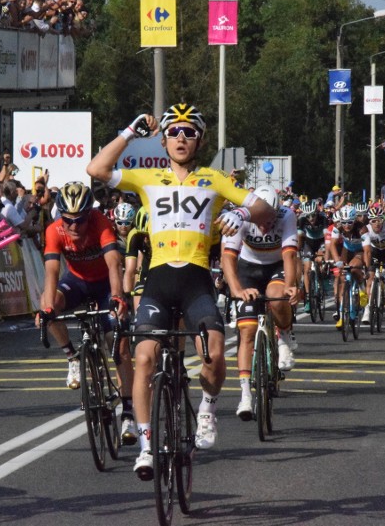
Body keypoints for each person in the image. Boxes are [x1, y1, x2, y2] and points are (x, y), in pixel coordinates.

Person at [86, 103, 275, 479]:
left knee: (215, 351)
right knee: (143, 359)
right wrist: (129, 130)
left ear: (200, 140)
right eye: (174, 131)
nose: (181, 138)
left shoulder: (214, 178)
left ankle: (207, 409)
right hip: (159, 280)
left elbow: (266, 208)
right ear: (162, 138)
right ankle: (145, 445)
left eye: (190, 132)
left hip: (196, 279)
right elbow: (97, 169)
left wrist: (240, 213)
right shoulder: (146, 177)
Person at [37, 182, 135, 444]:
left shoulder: (101, 223)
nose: (72, 227)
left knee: (120, 345)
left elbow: (114, 264)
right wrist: (47, 309)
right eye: (67, 220)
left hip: (105, 284)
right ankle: (71, 356)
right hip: (77, 282)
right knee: (46, 304)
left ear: (88, 214)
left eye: (79, 221)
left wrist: (117, 297)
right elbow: (51, 272)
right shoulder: (54, 230)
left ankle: (128, 410)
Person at [221, 184, 299, 421]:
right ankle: (245, 395)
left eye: (269, 219)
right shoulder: (240, 218)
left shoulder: (287, 215)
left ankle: (284, 334)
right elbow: (227, 257)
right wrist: (236, 290)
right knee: (246, 332)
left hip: (276, 265)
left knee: (277, 297)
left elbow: (289, 255)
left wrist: (291, 286)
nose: (265, 226)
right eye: (261, 220)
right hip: (248, 268)